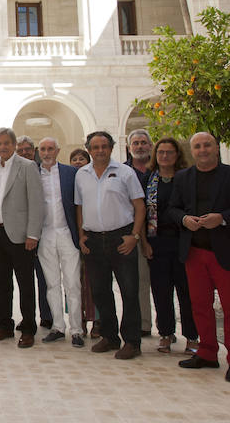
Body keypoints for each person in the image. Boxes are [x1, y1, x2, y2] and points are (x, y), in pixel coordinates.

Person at [166, 132, 230, 383]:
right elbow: (173, 208)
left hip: (226, 252)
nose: (202, 150)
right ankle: (207, 352)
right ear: (192, 150)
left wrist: (223, 218)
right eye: (197, 146)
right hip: (195, 251)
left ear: (217, 148)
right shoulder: (183, 177)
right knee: (200, 306)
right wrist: (184, 220)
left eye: (207, 145)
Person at [74, 130, 145, 360]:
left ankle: (132, 341)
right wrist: (82, 234)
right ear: (89, 150)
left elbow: (139, 206)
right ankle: (110, 336)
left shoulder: (125, 172)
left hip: (121, 238)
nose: (99, 150)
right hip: (94, 240)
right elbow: (79, 207)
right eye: (95, 147)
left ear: (111, 148)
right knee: (100, 291)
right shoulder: (82, 175)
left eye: (104, 146)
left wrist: (134, 236)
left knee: (129, 291)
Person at [0, 127, 44, 349]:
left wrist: (33, 234)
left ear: (14, 145)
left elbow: (36, 202)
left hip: (21, 236)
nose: (2, 147)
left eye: (6, 143)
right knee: (0, 283)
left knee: (25, 284)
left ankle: (28, 329)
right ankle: (4, 325)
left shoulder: (27, 167)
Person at [144, 138, 198, 354]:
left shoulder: (186, 178)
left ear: (177, 155)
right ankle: (166, 333)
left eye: (169, 152)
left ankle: (192, 336)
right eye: (161, 153)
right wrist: (145, 242)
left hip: (183, 242)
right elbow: (140, 210)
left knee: (187, 292)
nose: (165, 156)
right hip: (157, 241)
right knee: (160, 290)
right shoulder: (149, 179)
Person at [36, 137, 83, 347]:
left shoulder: (71, 173)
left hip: (67, 233)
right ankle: (57, 326)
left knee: (73, 283)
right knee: (51, 283)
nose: (46, 153)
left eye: (50, 149)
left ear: (57, 151)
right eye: (43, 149)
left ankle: (77, 330)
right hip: (44, 234)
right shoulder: (33, 173)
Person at [17, 135, 52, 331]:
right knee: (26, 280)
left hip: (45, 232)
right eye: (20, 150)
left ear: (34, 151)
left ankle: (47, 316)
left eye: (27, 150)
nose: (24, 153)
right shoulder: (17, 172)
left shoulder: (44, 172)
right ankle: (27, 318)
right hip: (23, 235)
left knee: (45, 277)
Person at [126, 128, 154, 337]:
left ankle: (168, 330)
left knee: (164, 284)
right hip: (135, 233)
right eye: (135, 143)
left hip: (162, 234)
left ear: (150, 146)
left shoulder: (158, 170)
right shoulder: (123, 172)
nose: (140, 146)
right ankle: (143, 324)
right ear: (129, 148)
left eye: (143, 143)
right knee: (139, 281)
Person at [69, 147, 97, 336]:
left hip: (93, 235)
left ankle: (97, 321)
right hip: (73, 237)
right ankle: (78, 321)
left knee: (94, 281)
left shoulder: (93, 179)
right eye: (75, 159)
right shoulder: (69, 180)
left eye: (82, 159)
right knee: (74, 281)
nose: (78, 162)